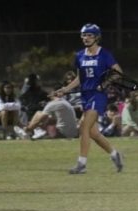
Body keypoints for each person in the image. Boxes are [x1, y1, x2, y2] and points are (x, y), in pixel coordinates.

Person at [52, 23, 124, 173]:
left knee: (83, 127)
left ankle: (81, 164)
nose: (86, 38)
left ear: (97, 37)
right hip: (85, 95)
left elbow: (118, 72)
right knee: (92, 133)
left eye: (90, 35)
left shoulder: (104, 54)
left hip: (98, 96)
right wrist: (65, 90)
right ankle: (115, 154)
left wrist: (104, 84)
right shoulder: (79, 55)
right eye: (84, 35)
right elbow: (80, 78)